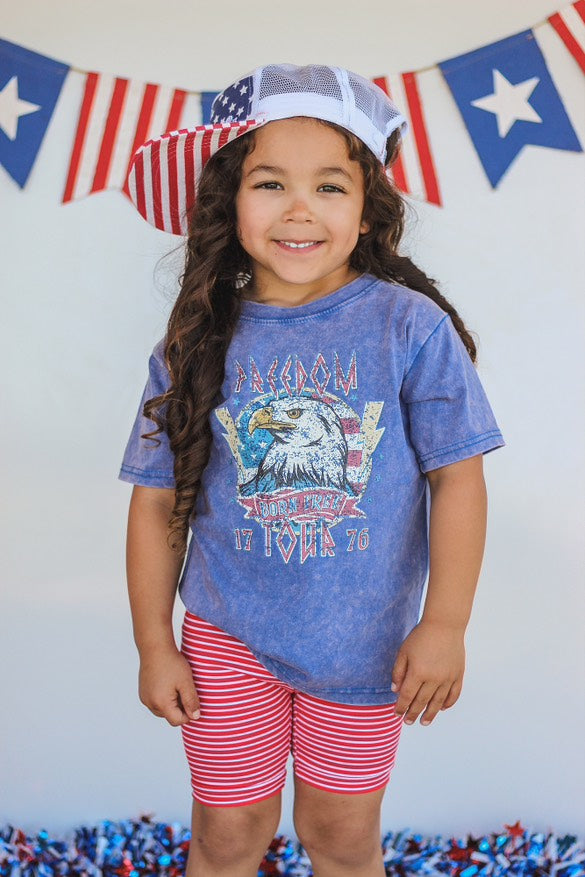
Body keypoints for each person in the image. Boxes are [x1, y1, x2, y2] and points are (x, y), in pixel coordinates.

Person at [118, 63, 505, 877]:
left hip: (366, 643)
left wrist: (444, 623)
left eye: (329, 186)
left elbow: (457, 478)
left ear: (367, 211)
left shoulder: (408, 327)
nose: (299, 208)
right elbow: (156, 502)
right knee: (228, 834)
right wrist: (154, 642)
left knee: (340, 834)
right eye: (269, 183)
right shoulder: (195, 340)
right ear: (230, 203)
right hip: (226, 633)